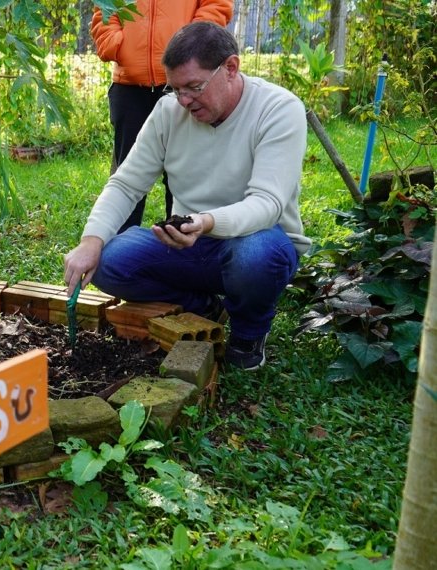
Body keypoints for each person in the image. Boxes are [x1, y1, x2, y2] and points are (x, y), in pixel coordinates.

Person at [63, 21, 309, 371]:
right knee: (106, 261)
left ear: (231, 68)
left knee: (256, 256)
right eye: (176, 89)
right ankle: (202, 307)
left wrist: (207, 221)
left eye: (194, 87)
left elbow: (267, 205)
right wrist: (91, 241)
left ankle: (248, 333)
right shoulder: (168, 111)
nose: (184, 101)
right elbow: (126, 184)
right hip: (189, 245)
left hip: (256, 239)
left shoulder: (278, 109)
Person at [91, 0, 233, 232]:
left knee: (185, 171)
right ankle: (119, 244)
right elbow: (105, 6)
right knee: (128, 170)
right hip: (129, 84)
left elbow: (216, 5)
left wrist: (190, 44)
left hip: (184, 79)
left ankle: (184, 239)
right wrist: (115, 44)